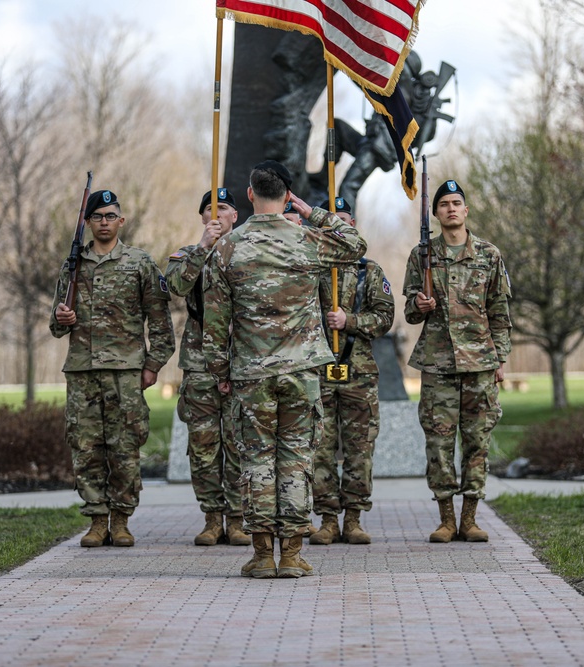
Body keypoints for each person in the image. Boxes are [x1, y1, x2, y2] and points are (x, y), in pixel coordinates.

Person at [202, 160, 367, 578]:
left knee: (256, 461)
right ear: (287, 196)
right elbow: (354, 243)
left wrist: (220, 370)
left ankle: (261, 556)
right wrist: (312, 211)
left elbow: (215, 320)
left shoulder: (228, 248)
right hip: (301, 371)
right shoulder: (308, 240)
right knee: (296, 459)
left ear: (250, 194)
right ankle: (292, 555)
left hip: (251, 373)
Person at [50, 189, 176, 548]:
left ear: (121, 221)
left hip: (126, 372)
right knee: (85, 446)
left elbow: (160, 323)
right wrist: (62, 317)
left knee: (125, 447)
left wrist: (152, 365)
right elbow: (56, 326)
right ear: (88, 223)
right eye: (97, 217)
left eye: (110, 216)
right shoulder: (73, 266)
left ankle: (120, 520)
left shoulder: (139, 264)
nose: (103, 222)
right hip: (82, 372)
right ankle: (96, 520)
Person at [402, 179, 511, 543]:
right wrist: (419, 306)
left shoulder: (488, 254)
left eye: (457, 202)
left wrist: (500, 359)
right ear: (435, 214)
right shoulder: (422, 256)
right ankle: (446, 519)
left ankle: (470, 518)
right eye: (444, 203)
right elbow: (409, 314)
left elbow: (499, 312)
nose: (451, 208)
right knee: (439, 443)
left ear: (466, 211)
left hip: (480, 363)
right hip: (438, 365)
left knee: (477, 441)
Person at [166, 187, 250, 547]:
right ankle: (212, 518)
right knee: (203, 445)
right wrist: (202, 248)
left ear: (236, 216)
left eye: (224, 208)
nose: (216, 215)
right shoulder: (187, 254)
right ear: (202, 218)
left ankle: (237, 519)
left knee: (239, 443)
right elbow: (175, 285)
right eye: (209, 210)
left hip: (242, 361)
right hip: (200, 365)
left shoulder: (249, 253)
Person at [310, 196, 394, 546]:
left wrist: (350, 320)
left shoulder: (369, 272)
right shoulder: (309, 270)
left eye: (342, 222)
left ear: (352, 227)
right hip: (318, 372)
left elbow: (385, 317)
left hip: (358, 372)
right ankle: (328, 518)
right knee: (320, 447)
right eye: (330, 224)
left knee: (360, 447)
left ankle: (354, 518)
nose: (336, 229)